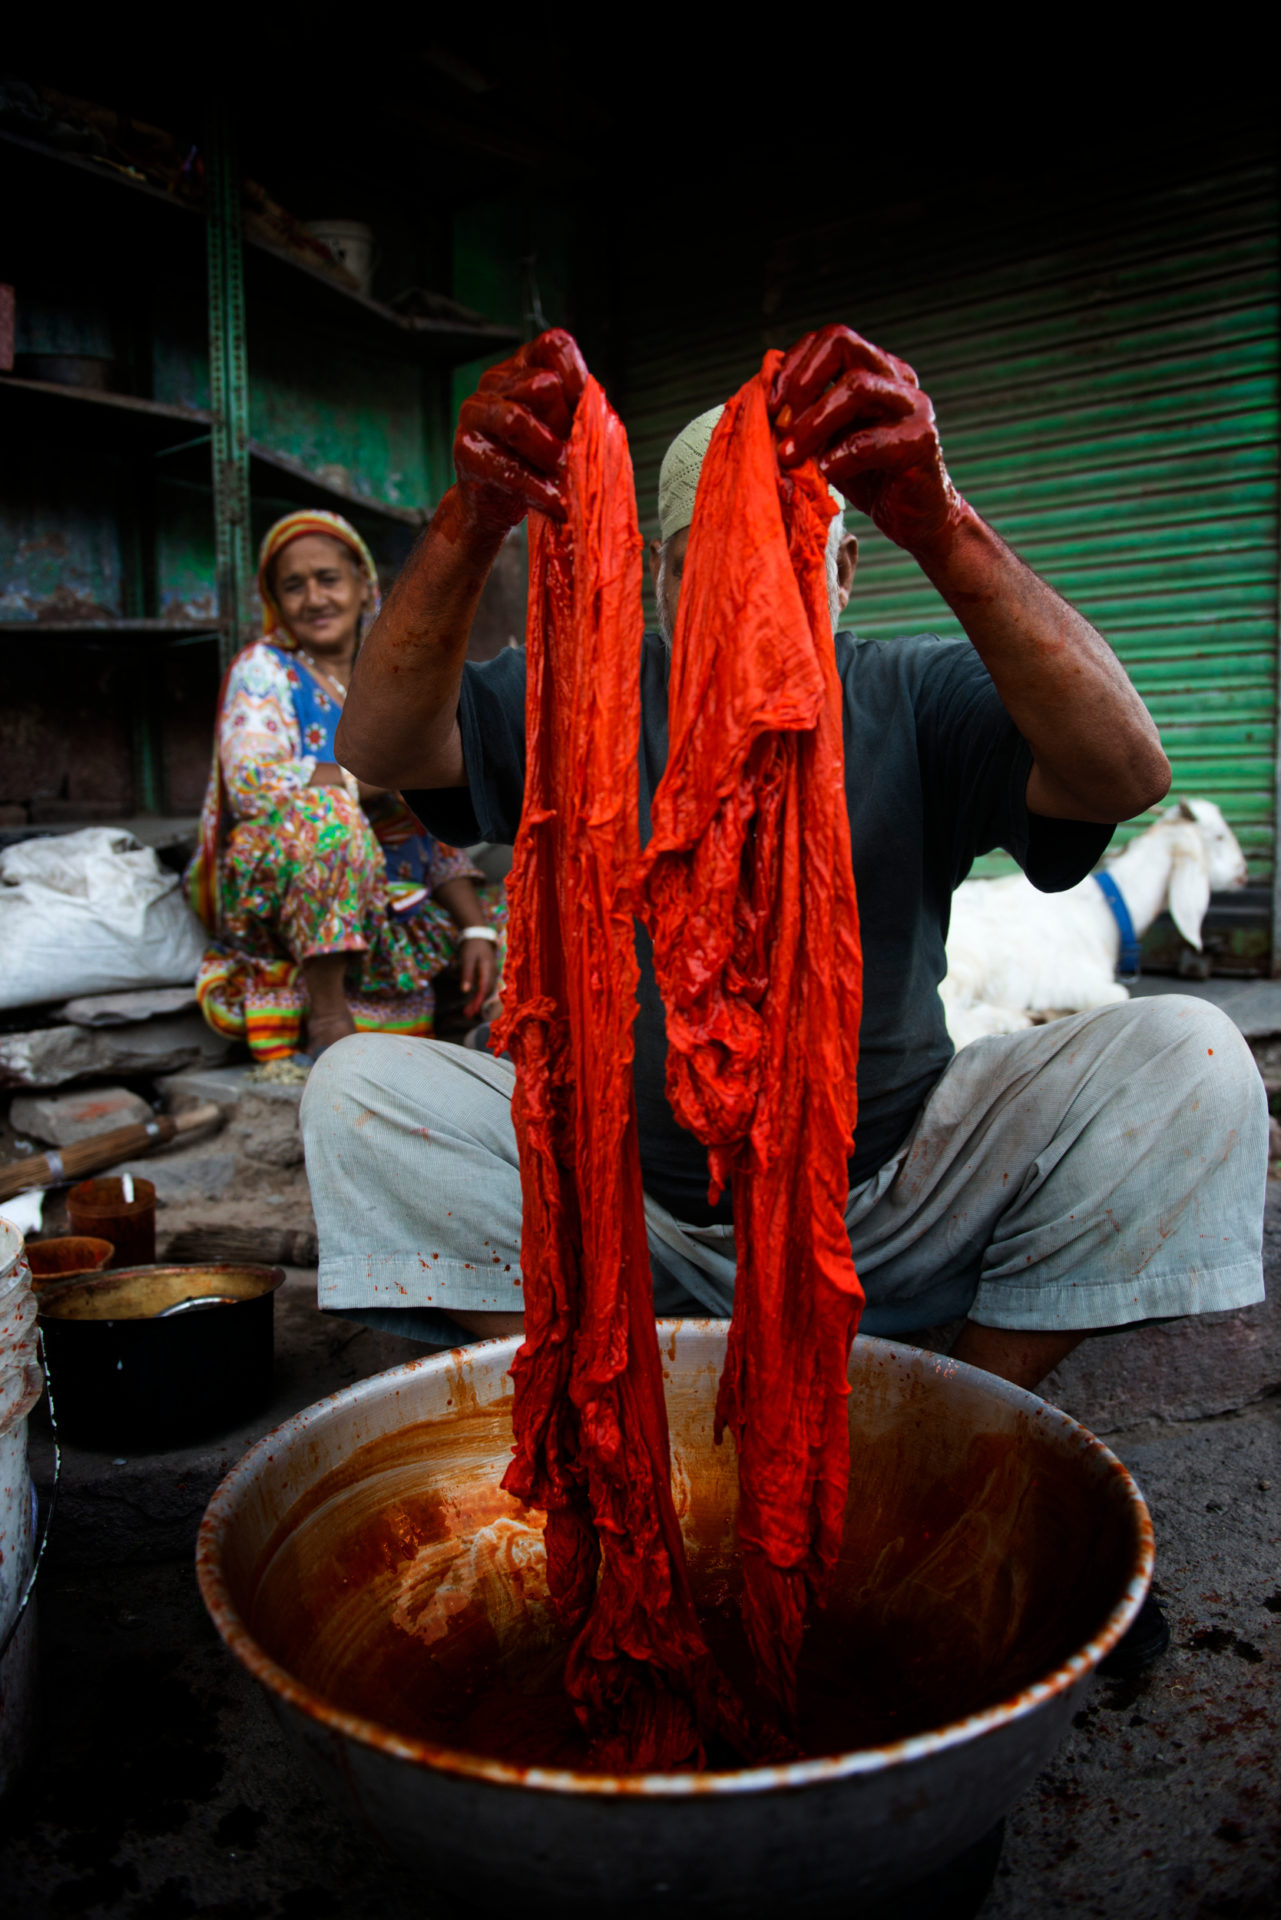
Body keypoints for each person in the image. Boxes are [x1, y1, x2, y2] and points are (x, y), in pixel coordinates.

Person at [300, 330, 1267, 1658]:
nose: (743, 596)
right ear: (655, 579)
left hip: (888, 1202)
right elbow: (381, 745)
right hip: (620, 1230)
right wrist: (477, 513)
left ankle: (953, 1435)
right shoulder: (580, 693)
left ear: (845, 565)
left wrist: (947, 524)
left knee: (1194, 1058)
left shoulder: (909, 690)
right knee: (357, 1089)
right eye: (707, 564)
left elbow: (1121, 773)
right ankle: (599, 1414)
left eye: (782, 555)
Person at [188, 508, 501, 1064]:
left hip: (386, 890)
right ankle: (329, 1018)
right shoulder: (265, 668)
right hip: (286, 886)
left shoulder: (388, 676)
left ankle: (473, 1016)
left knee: (526, 889)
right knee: (329, 816)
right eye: (293, 586)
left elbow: (427, 811)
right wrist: (369, 779)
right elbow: (252, 782)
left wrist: (477, 930)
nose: (314, 598)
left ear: (363, 586)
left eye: (328, 579)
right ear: (277, 601)